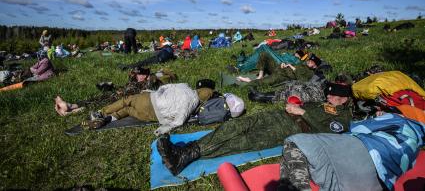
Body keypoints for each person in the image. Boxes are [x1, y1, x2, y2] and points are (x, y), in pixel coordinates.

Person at [157, 82, 355, 175]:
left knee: (241, 141)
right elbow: (305, 106)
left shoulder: (344, 117)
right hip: (280, 115)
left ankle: (184, 156)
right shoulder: (324, 103)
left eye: (334, 97)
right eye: (329, 95)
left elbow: (329, 131)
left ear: (344, 99)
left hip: (290, 128)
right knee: (236, 125)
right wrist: (295, 106)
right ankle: (186, 151)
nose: (329, 98)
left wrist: (302, 113)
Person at [279, 113, 425, 191]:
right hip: (376, 183)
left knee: (295, 142)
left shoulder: (401, 120)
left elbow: (357, 128)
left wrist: (377, 117)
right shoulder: (415, 150)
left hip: (363, 152)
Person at [56, 82, 215, 136]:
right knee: (129, 112)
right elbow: (178, 122)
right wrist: (162, 129)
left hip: (150, 99)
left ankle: (102, 113)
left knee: (126, 101)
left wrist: (154, 93)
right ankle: (108, 120)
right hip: (151, 116)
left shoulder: (185, 87)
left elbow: (165, 87)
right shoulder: (192, 106)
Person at [55, 67, 177, 116]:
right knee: (98, 98)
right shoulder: (135, 80)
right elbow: (130, 81)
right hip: (120, 93)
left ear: (146, 75)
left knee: (102, 102)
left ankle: (73, 110)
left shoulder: (149, 80)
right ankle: (71, 105)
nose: (138, 76)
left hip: (124, 98)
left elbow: (154, 83)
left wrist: (151, 77)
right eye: (137, 74)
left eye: (140, 74)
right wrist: (133, 74)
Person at [236, 53, 324, 87]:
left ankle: (249, 81)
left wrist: (293, 68)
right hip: (279, 68)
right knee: (263, 55)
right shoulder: (303, 64)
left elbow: (302, 80)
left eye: (311, 62)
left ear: (315, 66)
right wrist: (284, 65)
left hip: (282, 76)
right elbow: (293, 65)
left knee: (262, 83)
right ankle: (260, 75)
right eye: (309, 60)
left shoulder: (310, 73)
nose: (309, 61)